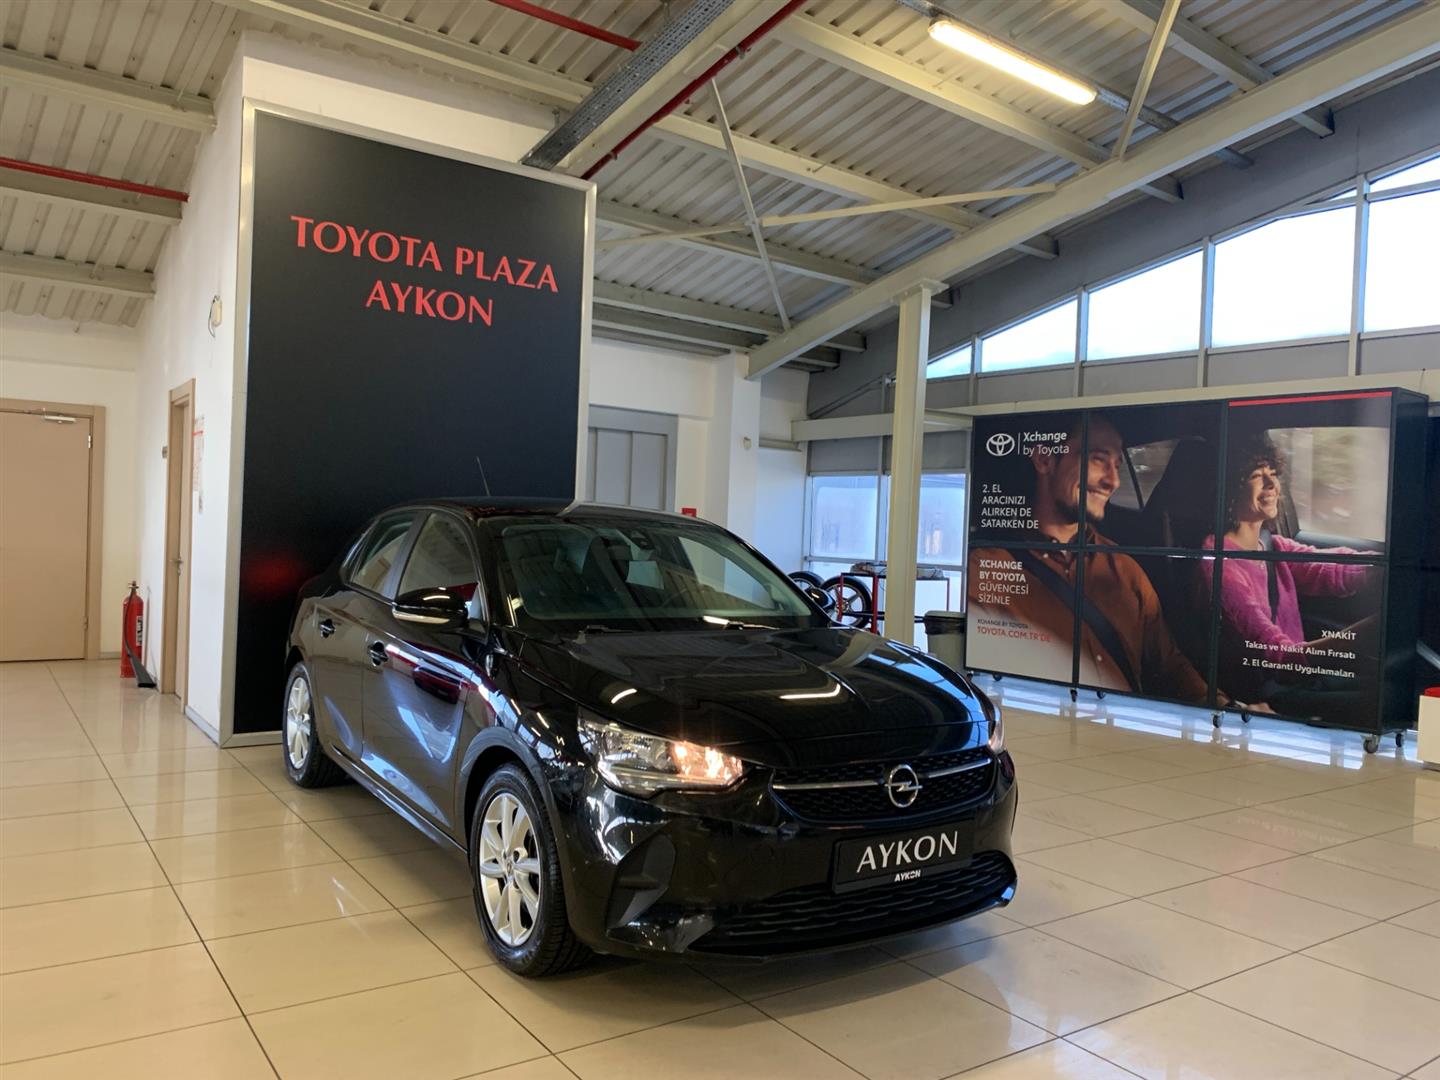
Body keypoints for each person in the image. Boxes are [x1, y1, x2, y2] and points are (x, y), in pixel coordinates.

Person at [970, 416, 1228, 704]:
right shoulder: (985, 569)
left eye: (1117, 466)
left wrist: (1223, 706)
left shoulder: (1124, 568)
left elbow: (1169, 665)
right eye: (1097, 459)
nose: (1113, 482)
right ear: (1045, 460)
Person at [1204, 433, 1374, 705]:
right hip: (1271, 692)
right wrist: (1358, 636)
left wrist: (1381, 570)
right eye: (1256, 475)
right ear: (1231, 486)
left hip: (1300, 677)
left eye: (1273, 473)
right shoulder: (1219, 566)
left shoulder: (1272, 545)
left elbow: (1327, 567)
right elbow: (1277, 657)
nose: (1272, 484)